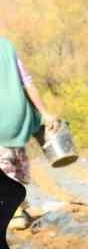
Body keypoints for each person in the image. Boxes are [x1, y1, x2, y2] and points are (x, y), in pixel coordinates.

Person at [0, 37, 58, 231]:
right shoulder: (6, 45)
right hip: (18, 115)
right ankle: (20, 204)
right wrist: (44, 112)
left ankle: (15, 215)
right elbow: (27, 82)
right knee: (13, 161)